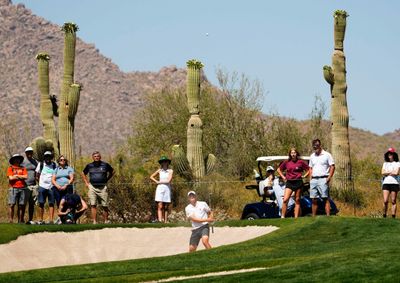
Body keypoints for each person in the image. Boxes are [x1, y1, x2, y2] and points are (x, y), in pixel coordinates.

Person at [81, 151, 114, 224]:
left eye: (98, 156)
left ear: (100, 157)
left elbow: (113, 171)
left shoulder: (105, 165)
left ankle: (106, 221)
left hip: (103, 187)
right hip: (92, 187)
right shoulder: (89, 165)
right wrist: (86, 183)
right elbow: (83, 173)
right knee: (93, 204)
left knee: (105, 205)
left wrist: (107, 179)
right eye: (95, 156)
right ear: (93, 157)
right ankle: (94, 221)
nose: (96, 157)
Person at [277, 148, 310, 218]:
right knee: (285, 200)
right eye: (292, 153)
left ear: (296, 154)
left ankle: (296, 217)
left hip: (298, 182)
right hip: (289, 182)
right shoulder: (286, 162)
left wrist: (305, 175)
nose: (293, 154)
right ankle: (282, 216)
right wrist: (283, 177)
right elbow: (279, 170)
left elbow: (309, 169)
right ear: (290, 154)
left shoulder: (300, 162)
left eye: (294, 153)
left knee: (297, 200)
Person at [309, 139, 335, 216]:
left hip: (323, 179)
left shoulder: (327, 155)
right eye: (314, 146)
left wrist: (329, 177)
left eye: (317, 146)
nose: (315, 147)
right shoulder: (312, 156)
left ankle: (328, 216)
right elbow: (310, 167)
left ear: (320, 145)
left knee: (325, 198)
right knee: (314, 199)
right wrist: (310, 178)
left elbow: (332, 166)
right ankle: (313, 217)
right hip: (314, 179)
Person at [150, 156, 173, 223]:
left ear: (168, 162)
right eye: (163, 161)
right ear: (161, 163)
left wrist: (159, 182)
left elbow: (168, 181)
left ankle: (165, 221)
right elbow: (151, 176)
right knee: (160, 205)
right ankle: (160, 221)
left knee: (166, 206)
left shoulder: (170, 171)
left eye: (165, 161)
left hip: (167, 189)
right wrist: (156, 181)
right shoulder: (159, 170)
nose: (164, 163)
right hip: (160, 189)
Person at [36, 151, 57, 224]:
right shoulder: (41, 164)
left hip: (51, 187)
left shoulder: (54, 164)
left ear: (51, 157)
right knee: (41, 203)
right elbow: (37, 174)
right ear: (44, 157)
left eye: (49, 156)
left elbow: (56, 174)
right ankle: (41, 220)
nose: (48, 158)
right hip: (42, 186)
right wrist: (40, 183)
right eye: (46, 156)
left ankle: (51, 220)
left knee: (51, 203)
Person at [6, 154, 28, 223]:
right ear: (13, 160)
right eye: (16, 158)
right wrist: (21, 176)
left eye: (18, 158)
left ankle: (20, 220)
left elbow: (26, 177)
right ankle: (11, 220)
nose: (17, 160)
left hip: (22, 188)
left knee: (21, 205)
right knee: (12, 204)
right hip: (13, 188)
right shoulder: (10, 168)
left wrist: (16, 175)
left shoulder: (23, 168)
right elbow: (10, 178)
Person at [381, 147, 400, 218]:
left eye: (391, 153)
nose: (390, 155)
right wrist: (391, 172)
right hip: (386, 183)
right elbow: (382, 172)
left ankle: (393, 216)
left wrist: (387, 173)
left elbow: (396, 172)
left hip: (394, 183)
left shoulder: (397, 163)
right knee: (385, 200)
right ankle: (384, 215)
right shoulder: (385, 163)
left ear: (394, 155)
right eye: (388, 153)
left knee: (393, 200)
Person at [22, 147, 38, 224]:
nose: (29, 153)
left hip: (34, 185)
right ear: (25, 153)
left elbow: (37, 172)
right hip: (25, 185)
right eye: (28, 152)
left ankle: (30, 219)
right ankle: (21, 219)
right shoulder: (22, 162)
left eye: (31, 152)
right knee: (23, 203)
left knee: (32, 204)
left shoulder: (35, 162)